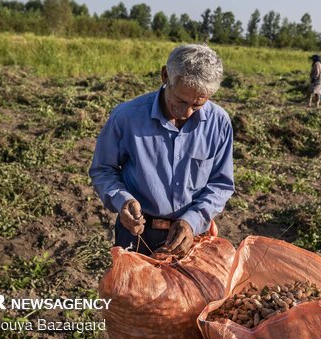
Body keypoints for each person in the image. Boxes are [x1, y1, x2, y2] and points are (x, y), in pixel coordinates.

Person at [89, 44, 235, 256]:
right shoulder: (127, 117)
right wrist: (123, 200)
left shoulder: (218, 122)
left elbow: (221, 183)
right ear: (165, 76)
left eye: (197, 105)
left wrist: (193, 220)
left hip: (191, 236)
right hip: (137, 233)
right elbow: (103, 170)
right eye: (180, 100)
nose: (186, 112)